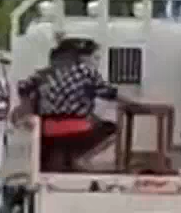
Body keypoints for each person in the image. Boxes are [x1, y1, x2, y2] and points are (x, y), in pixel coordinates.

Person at [16, 34, 120, 172]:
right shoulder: (85, 72)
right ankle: (82, 158)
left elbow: (23, 87)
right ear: (83, 57)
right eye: (95, 57)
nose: (97, 62)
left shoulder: (44, 74)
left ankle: (68, 161)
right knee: (112, 129)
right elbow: (110, 93)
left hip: (47, 130)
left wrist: (28, 107)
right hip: (79, 130)